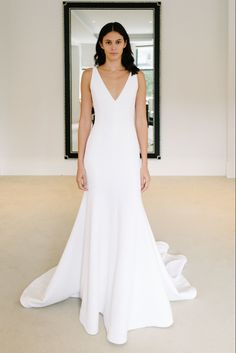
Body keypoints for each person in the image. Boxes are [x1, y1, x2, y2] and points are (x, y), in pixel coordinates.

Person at [20, 22, 197, 345]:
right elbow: (85, 118)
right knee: (98, 212)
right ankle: (99, 282)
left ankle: (124, 278)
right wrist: (80, 162)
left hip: (127, 155)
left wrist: (144, 162)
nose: (113, 46)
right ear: (100, 45)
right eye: (107, 41)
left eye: (118, 41)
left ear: (126, 44)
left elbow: (140, 120)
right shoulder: (89, 75)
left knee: (129, 211)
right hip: (99, 156)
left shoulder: (137, 77)